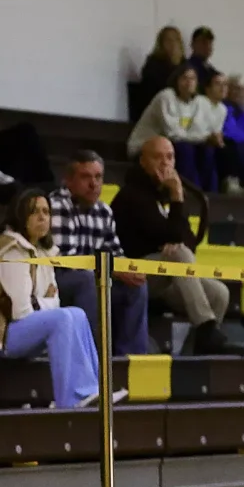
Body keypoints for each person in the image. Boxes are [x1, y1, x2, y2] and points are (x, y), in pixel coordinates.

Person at [111, 137, 244, 356]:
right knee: (178, 255)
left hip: (162, 275)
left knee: (219, 293)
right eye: (157, 157)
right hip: (131, 275)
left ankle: (197, 351)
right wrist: (177, 197)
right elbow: (171, 235)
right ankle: (206, 327)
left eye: (170, 157)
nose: (165, 163)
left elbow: (189, 240)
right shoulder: (132, 195)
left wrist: (175, 213)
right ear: (143, 162)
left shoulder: (159, 196)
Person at [0, 189, 116, 408]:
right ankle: (70, 400)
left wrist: (41, 301)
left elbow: (56, 299)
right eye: (34, 212)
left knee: (78, 313)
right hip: (0, 333)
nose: (42, 217)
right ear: (20, 216)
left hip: (23, 327)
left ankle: (94, 390)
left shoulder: (45, 251)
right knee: (63, 319)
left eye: (46, 211)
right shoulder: (12, 249)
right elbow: (21, 311)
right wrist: (43, 301)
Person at [49, 150, 149, 356]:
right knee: (86, 280)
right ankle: (92, 357)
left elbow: (115, 253)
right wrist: (111, 269)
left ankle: (130, 357)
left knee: (136, 284)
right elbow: (65, 261)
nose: (94, 184)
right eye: (86, 177)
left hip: (92, 276)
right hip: (54, 281)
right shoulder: (56, 205)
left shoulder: (104, 211)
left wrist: (127, 270)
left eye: (98, 177)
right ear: (68, 181)